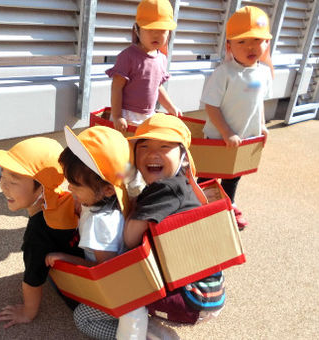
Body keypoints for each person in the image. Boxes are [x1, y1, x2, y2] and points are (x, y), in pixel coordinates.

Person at [124, 113, 226, 330]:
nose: (152, 153)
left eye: (164, 146)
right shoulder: (179, 183)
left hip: (194, 296)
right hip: (209, 288)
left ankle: (153, 334)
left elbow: (129, 238)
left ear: (184, 157)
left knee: (123, 291)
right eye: (143, 147)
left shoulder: (167, 189)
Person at [45, 126, 148, 339]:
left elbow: (105, 271)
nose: (69, 188)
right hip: (129, 276)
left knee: (82, 318)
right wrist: (78, 200)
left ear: (108, 189)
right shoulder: (113, 194)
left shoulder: (99, 223)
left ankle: (146, 334)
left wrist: (65, 258)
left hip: (117, 288)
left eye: (75, 185)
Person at [0, 137, 84, 328]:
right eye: (2, 176)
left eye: (13, 182)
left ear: (41, 188)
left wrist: (28, 311)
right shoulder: (65, 200)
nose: (3, 186)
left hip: (81, 291)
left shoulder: (37, 233)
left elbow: (33, 277)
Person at [199, 6, 273, 230]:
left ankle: (228, 204)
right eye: (242, 41)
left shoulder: (262, 73)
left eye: (256, 40)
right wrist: (225, 131)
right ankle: (200, 207)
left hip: (245, 137)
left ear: (267, 43)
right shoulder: (225, 73)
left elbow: (258, 101)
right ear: (229, 45)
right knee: (207, 176)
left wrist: (261, 125)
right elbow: (211, 106)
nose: (250, 46)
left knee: (233, 176)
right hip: (217, 138)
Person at [106, 0, 182, 133]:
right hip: (127, 115)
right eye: (150, 29)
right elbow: (117, 87)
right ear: (137, 30)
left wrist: (170, 107)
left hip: (149, 116)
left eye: (162, 30)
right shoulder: (128, 56)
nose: (156, 34)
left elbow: (157, 86)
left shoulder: (162, 58)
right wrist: (117, 116)